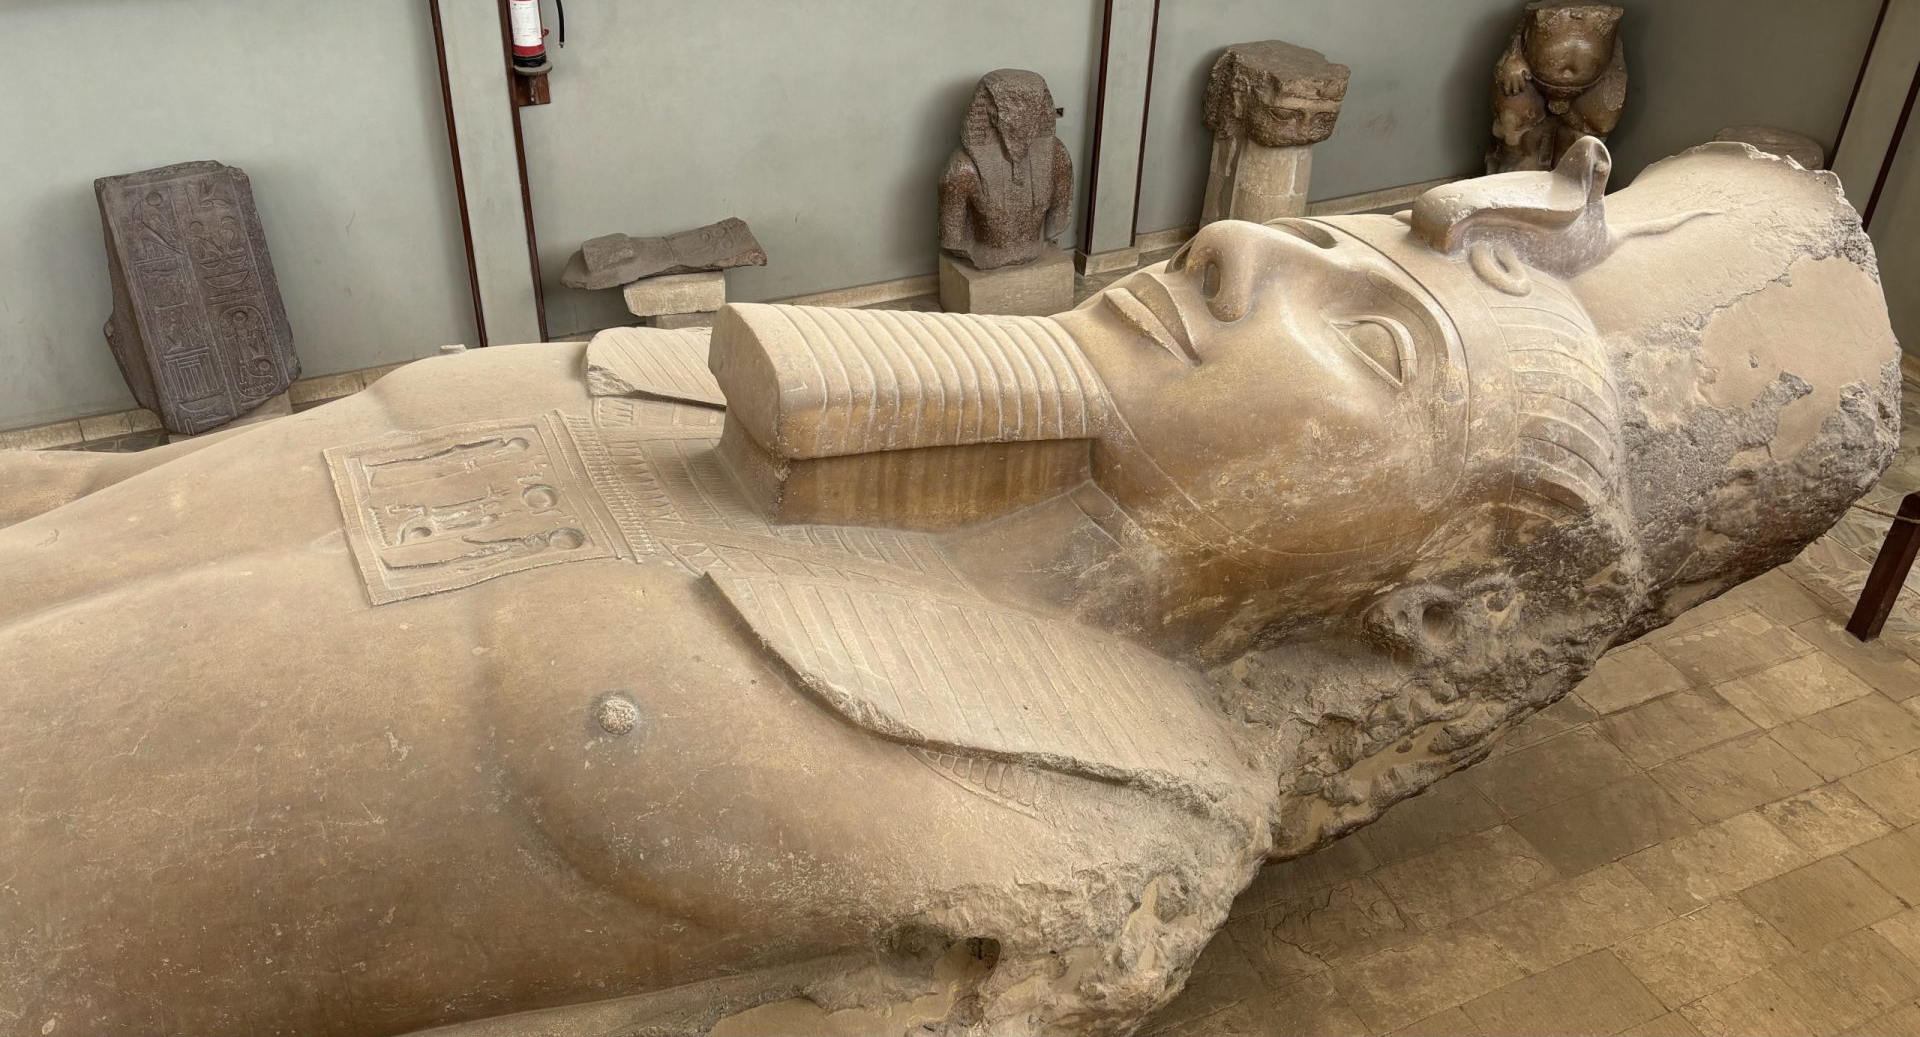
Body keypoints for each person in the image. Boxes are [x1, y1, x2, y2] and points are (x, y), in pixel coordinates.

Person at [0, 139, 1894, 1036]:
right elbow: (178, 498)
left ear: (1444, 601)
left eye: (1377, 342)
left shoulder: (1054, 838)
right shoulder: (727, 385)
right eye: (1321, 239)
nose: (1236, 249)